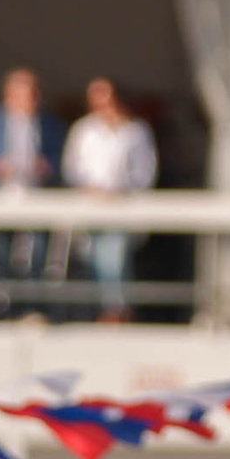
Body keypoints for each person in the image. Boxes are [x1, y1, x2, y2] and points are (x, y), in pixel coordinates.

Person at [63, 77, 157, 323]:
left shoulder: (136, 131)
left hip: (121, 207)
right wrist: (90, 188)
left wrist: (120, 190)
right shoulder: (83, 130)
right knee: (92, 257)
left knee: (113, 255)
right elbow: (72, 168)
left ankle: (114, 310)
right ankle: (103, 309)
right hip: (90, 206)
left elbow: (145, 172)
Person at [0, 67, 63, 299]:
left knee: (39, 254)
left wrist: (46, 166)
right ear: (8, 96)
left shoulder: (50, 123)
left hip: (37, 198)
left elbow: (62, 161)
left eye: (33, 94)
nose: (29, 100)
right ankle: (0, 304)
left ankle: (34, 304)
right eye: (23, 94)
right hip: (2, 198)